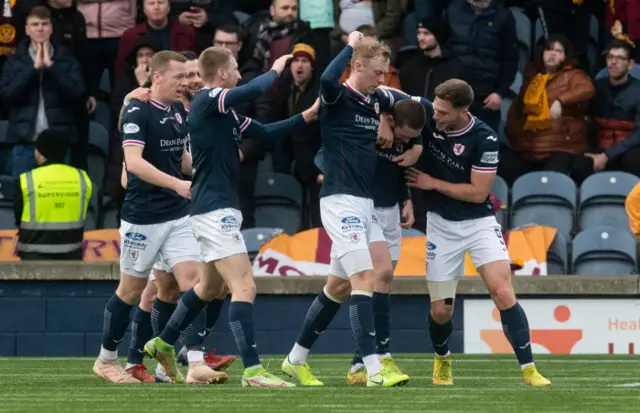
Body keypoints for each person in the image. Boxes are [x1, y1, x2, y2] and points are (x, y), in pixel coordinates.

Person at [144, 47, 320, 387]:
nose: (239, 73)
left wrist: (307, 117)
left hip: (214, 208)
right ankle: (253, 371)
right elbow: (255, 89)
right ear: (222, 73)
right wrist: (277, 67)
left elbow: (266, 133)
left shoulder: (226, 114)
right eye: (236, 68)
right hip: (215, 210)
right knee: (245, 286)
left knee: (210, 287)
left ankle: (163, 343)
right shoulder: (209, 98)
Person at [280, 32, 415, 388]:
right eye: (377, 73)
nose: (382, 80)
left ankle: (295, 359)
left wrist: (399, 128)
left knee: (338, 286)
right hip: (340, 201)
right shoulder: (337, 94)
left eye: (385, 73)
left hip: (364, 202)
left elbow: (412, 103)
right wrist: (350, 43)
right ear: (357, 66)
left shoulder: (376, 99)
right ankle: (371, 368)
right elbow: (326, 78)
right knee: (365, 279)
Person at [404, 79, 551, 387]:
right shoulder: (428, 112)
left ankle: (529, 369)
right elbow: (391, 98)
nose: (436, 117)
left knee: (502, 291)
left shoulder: (484, 138)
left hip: (478, 223)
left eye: (444, 112)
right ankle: (442, 359)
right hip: (441, 226)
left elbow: (477, 193)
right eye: (437, 108)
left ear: (463, 111)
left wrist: (432, 183)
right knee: (441, 310)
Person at [93, 51, 227, 385]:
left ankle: (194, 361)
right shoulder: (138, 109)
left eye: (188, 76)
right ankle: (106, 359)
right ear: (157, 77)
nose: (186, 82)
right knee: (130, 291)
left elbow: (179, 157)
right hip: (143, 218)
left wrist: (202, 177)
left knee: (195, 283)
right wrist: (178, 184)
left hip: (178, 216)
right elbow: (134, 164)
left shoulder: (179, 111)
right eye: (179, 77)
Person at [14, 129, 92, 261]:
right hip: (72, 254)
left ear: (39, 152)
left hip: (32, 256)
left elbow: (18, 218)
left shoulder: (26, 180)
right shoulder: (82, 178)